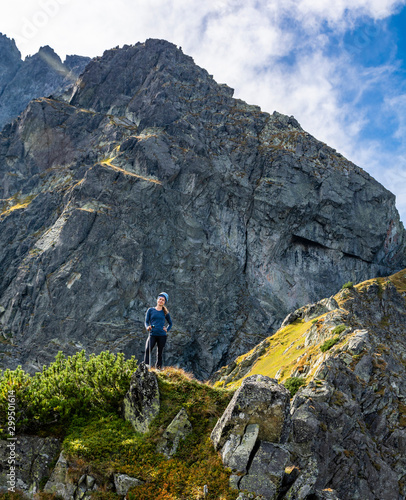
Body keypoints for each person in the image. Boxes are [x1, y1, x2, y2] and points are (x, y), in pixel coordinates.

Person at [144, 292, 172, 369]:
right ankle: (146, 367)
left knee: (159, 353)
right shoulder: (150, 310)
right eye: (160, 299)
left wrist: (167, 329)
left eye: (163, 300)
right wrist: (147, 327)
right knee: (147, 350)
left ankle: (158, 368)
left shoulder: (165, 312)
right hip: (152, 334)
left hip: (162, 335)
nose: (161, 301)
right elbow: (146, 321)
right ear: (157, 300)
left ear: (164, 302)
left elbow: (170, 323)